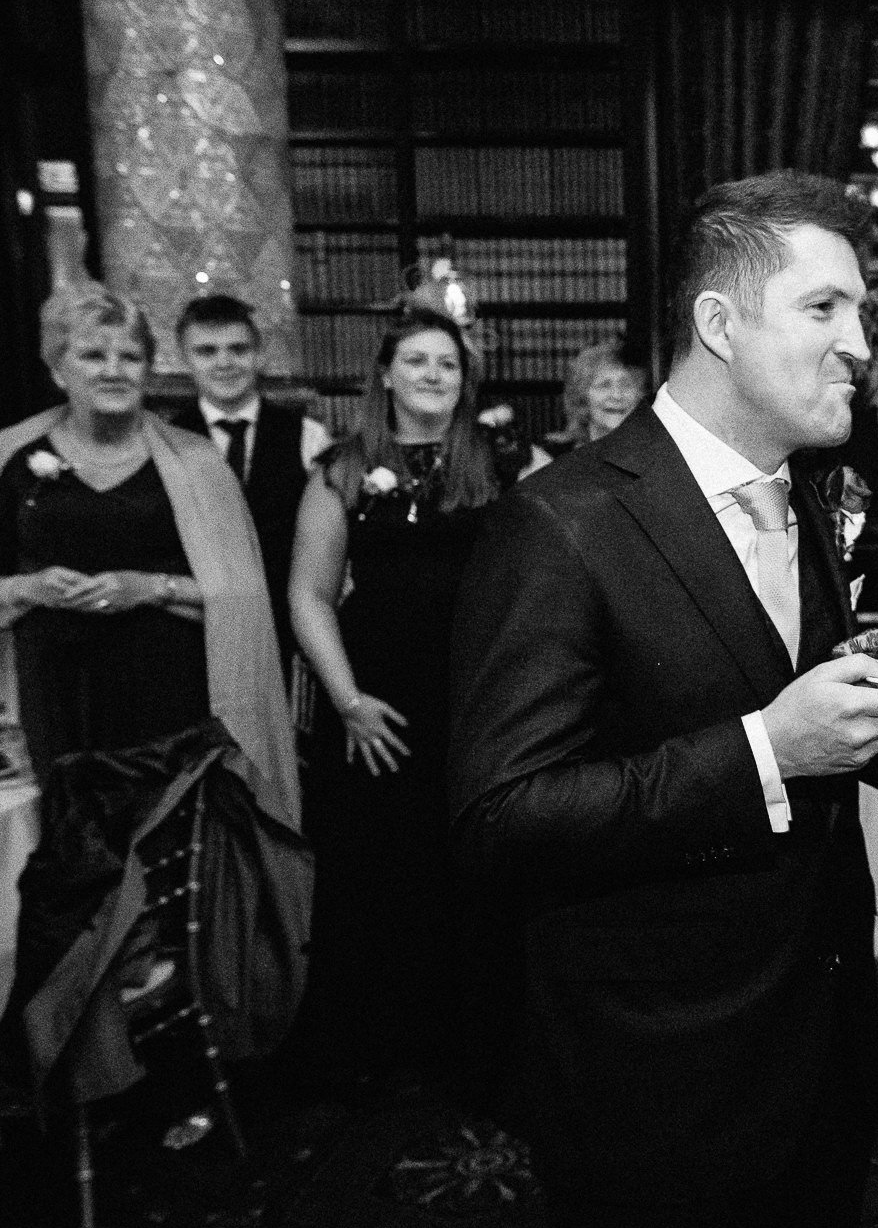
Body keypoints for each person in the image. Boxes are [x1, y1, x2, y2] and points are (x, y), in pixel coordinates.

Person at [445, 171, 878, 1228]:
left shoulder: (801, 495)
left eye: (859, 312)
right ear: (718, 325)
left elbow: (809, 681)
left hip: (816, 1052)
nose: (861, 344)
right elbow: (502, 815)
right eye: (824, 309)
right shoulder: (560, 524)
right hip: (657, 1078)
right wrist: (766, 751)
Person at [0, 284, 303, 1108]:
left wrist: (146, 584)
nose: (113, 369)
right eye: (92, 355)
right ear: (56, 364)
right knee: (61, 882)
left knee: (160, 892)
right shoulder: (13, 459)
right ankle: (67, 1062)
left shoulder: (194, 464)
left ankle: (157, 1072)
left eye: (129, 355)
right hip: (54, 705)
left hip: (169, 713)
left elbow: (240, 593)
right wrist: (28, 588)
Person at [285, 306, 544, 1087]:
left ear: (465, 383)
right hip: (378, 706)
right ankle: (379, 1054)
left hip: (481, 701)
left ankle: (483, 1050)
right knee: (381, 876)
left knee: (475, 870)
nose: (434, 374)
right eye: (419, 361)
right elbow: (308, 595)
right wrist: (349, 701)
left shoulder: (505, 460)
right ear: (387, 374)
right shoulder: (342, 469)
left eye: (449, 364)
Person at [165, 293, 330, 667]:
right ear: (184, 358)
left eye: (238, 349)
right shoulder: (164, 441)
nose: (224, 363)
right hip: (196, 634)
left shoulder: (309, 437)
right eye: (206, 352)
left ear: (260, 354)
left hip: (287, 632)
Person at [541, 337, 650, 455]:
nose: (617, 395)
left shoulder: (658, 455)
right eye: (604, 385)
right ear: (582, 397)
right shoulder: (552, 459)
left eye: (626, 385)